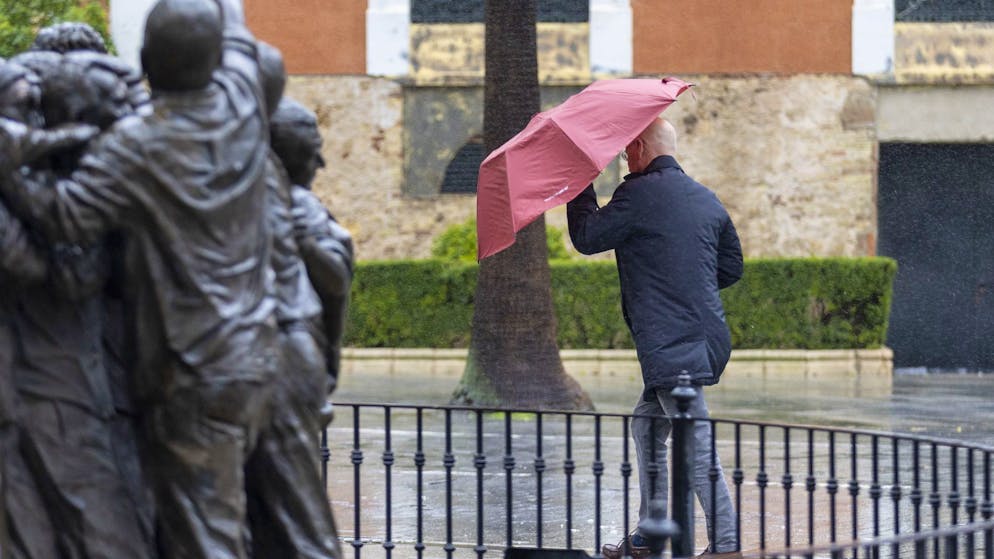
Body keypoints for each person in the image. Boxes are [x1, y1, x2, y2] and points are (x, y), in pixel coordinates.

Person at [0, 0, 279, 556]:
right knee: (217, 519)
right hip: (252, 361)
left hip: (189, 372)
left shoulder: (136, 146)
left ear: (146, 62)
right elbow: (238, 34)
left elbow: (63, 219)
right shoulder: (242, 106)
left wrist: (11, 164)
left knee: (202, 533)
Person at [567, 118, 743, 559]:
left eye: (629, 149)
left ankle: (726, 545)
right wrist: (687, 284)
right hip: (705, 337)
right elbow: (731, 268)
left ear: (644, 147)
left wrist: (579, 178)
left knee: (695, 443)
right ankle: (650, 534)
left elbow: (588, 237)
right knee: (647, 425)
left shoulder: (638, 194)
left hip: (671, 343)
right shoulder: (706, 199)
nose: (626, 156)